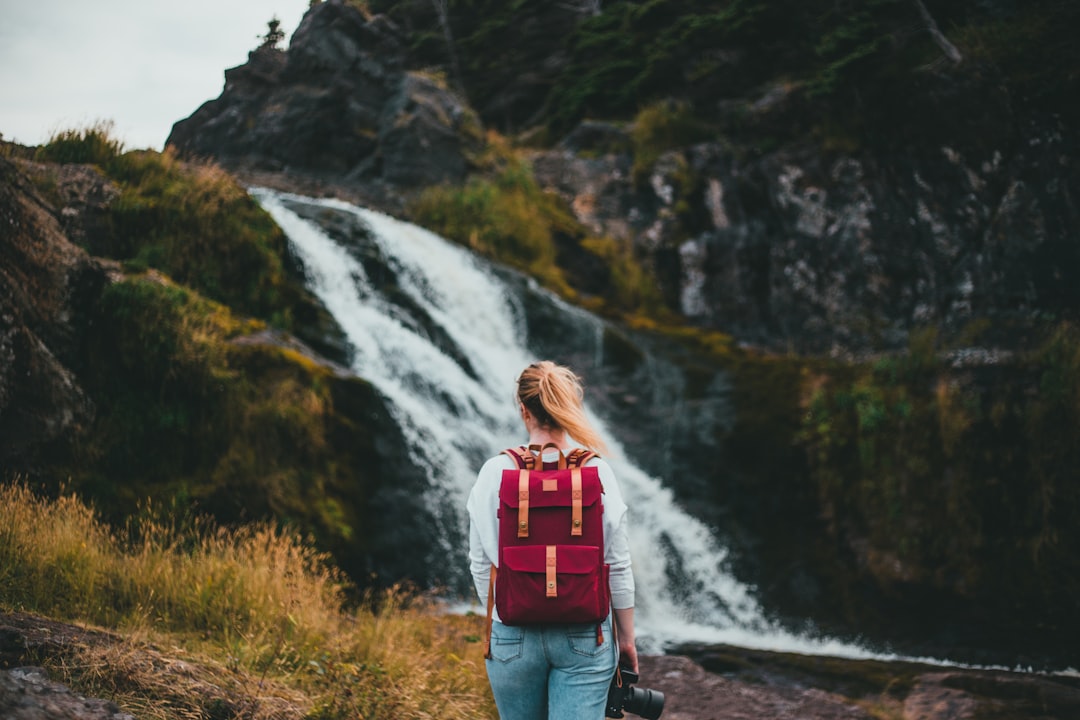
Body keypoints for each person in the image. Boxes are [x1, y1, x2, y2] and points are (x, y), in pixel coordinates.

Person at [467, 361, 637, 720]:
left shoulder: (494, 472)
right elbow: (617, 565)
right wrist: (627, 640)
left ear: (523, 409)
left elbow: (481, 563)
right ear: (569, 408)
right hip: (584, 636)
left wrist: (506, 616)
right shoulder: (597, 471)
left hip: (513, 635)